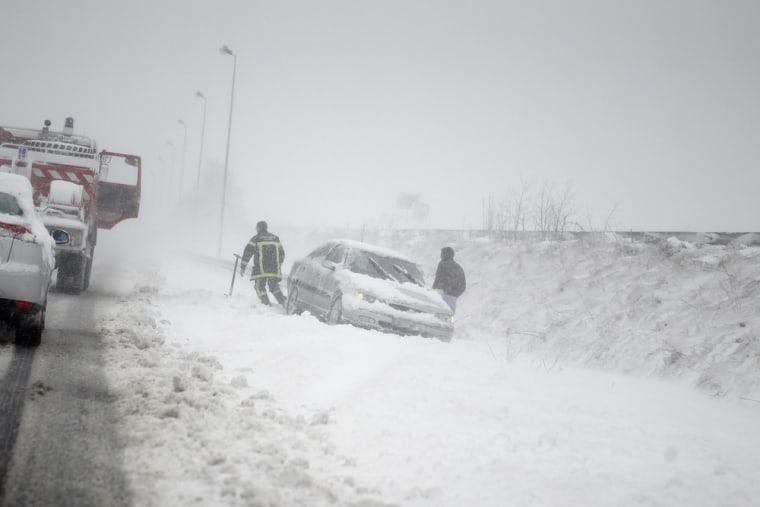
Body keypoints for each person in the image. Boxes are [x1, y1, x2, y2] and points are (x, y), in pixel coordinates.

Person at [240, 220, 286, 306]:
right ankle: (285, 303)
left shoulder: (256, 239)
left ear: (258, 228)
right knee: (274, 287)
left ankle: (266, 305)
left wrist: (243, 267)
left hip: (260, 270)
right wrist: (277, 264)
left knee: (259, 287)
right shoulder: (275, 238)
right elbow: (282, 254)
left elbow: (247, 253)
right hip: (274, 269)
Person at [432, 246, 466, 312]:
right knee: (449, 318)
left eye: (442, 254)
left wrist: (436, 292)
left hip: (440, 296)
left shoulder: (442, 264)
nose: (440, 256)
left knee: (435, 316)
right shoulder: (459, 268)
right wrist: (454, 295)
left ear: (447, 254)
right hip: (452, 299)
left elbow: (438, 281)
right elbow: (463, 287)